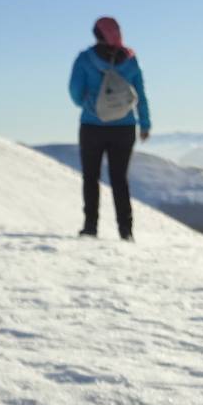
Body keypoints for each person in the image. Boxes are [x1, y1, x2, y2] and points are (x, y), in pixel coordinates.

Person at [68, 16, 151, 240]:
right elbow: (140, 95)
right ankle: (126, 230)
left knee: (91, 177)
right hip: (124, 127)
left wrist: (88, 104)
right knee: (119, 179)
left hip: (92, 125)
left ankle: (90, 226)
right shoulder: (130, 60)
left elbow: (75, 92)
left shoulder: (85, 59)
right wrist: (145, 123)